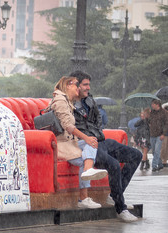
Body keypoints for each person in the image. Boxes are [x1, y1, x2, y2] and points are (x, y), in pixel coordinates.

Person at [71, 70, 142, 222]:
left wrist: (95, 132)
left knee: (136, 155)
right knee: (114, 164)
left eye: (89, 85)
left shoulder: (89, 100)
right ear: (75, 84)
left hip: (100, 140)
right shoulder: (67, 104)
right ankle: (120, 208)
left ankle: (115, 195)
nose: (88, 88)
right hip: (86, 145)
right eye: (85, 85)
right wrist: (89, 135)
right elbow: (72, 127)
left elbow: (98, 118)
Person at [48, 76, 108, 209]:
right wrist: (85, 138)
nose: (78, 88)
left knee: (92, 142)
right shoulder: (60, 100)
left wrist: (88, 139)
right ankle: (83, 197)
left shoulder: (68, 101)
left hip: (70, 142)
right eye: (76, 85)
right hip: (61, 144)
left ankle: (87, 171)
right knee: (85, 154)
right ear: (68, 86)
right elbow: (68, 126)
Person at [148, 99, 168, 172]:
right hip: (152, 134)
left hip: (160, 134)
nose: (152, 105)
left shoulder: (164, 113)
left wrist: (163, 134)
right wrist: (148, 115)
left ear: (157, 105)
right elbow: (148, 121)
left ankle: (154, 166)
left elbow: (166, 124)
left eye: (153, 104)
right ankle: (160, 164)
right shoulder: (152, 113)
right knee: (154, 151)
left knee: (157, 150)